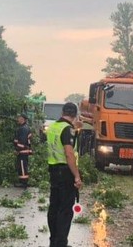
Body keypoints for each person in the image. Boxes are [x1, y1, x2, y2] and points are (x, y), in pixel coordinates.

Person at [46, 102, 83, 247]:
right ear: (75, 115)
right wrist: (77, 176)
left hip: (53, 169)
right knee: (65, 209)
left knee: (54, 207)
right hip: (66, 172)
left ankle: (53, 240)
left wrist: (75, 127)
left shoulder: (53, 127)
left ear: (62, 112)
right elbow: (69, 153)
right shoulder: (68, 130)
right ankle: (61, 243)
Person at [13, 114, 33, 188]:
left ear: (23, 119)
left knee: (22, 167)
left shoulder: (23, 129)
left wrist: (17, 150)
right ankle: (23, 182)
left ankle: (23, 183)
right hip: (24, 151)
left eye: (19, 118)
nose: (18, 119)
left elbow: (22, 141)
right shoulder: (24, 127)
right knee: (22, 166)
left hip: (22, 151)